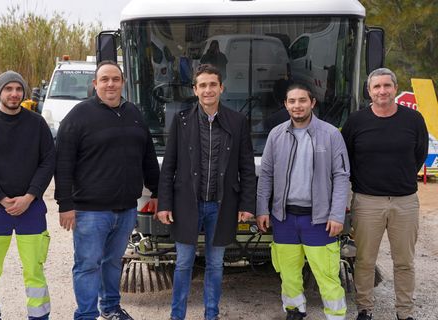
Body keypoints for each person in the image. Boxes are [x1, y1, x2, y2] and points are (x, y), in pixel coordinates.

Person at [54, 60, 160, 320]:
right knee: (87, 265)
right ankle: (86, 315)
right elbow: (63, 162)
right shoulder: (79, 116)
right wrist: (64, 204)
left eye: (115, 79)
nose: (110, 84)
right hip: (90, 212)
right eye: (104, 79)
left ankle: (111, 309)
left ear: (123, 82)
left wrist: (157, 192)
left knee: (113, 263)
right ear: (95, 84)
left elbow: (147, 156)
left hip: (125, 210)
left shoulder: (134, 113)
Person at [156, 64, 256, 320]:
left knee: (214, 265)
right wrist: (164, 204)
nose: (208, 90)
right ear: (195, 90)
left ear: (221, 87)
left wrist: (247, 205)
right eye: (202, 85)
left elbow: (246, 167)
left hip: (221, 205)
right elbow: (169, 166)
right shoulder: (181, 121)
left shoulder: (238, 121)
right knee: (183, 264)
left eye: (213, 84)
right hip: (186, 204)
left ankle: (211, 315)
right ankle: (177, 316)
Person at [256, 83, 349, 320]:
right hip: (284, 218)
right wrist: (262, 209)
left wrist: (337, 214)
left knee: (326, 273)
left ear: (312, 103)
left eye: (302, 100)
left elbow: (341, 176)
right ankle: (295, 310)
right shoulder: (276, 134)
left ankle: (336, 314)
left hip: (319, 219)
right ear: (286, 105)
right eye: (292, 101)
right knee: (288, 272)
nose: (297, 106)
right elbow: (266, 174)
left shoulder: (330, 134)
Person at [341, 68, 428, 320]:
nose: (382, 91)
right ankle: (365, 309)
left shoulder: (413, 120)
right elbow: (346, 158)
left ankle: (405, 312)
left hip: (405, 202)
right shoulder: (356, 121)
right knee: (365, 260)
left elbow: (419, 155)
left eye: (386, 86)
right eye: (376, 86)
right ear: (369, 91)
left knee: (404, 262)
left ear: (395, 88)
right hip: (367, 202)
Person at [0, 71, 55, 320]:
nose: (14, 93)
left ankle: (39, 317)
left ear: (24, 93)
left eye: (18, 89)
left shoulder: (37, 124)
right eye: (9, 89)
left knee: (35, 272)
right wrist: (1, 199)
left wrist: (29, 197)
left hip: (32, 209)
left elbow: (48, 162)